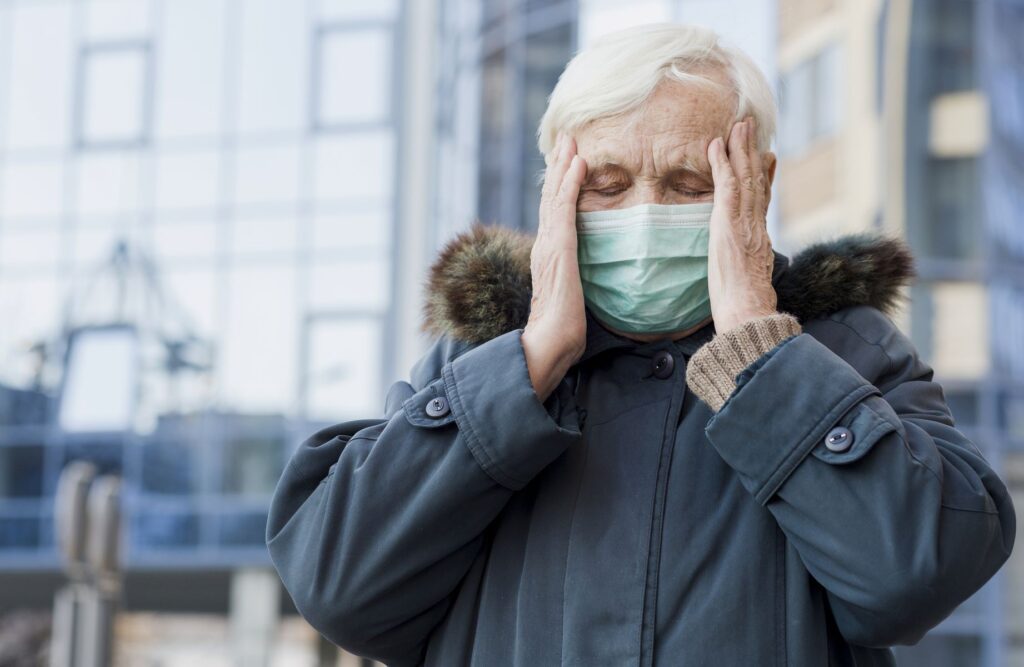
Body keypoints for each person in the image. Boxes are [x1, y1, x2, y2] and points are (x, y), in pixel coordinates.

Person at [266, 23, 1016, 666]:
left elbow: (917, 574)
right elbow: (340, 587)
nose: (646, 212)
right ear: (555, 190)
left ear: (755, 181)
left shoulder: (850, 352)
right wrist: (528, 367)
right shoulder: (472, 361)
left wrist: (763, 355)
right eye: (608, 183)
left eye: (690, 183)